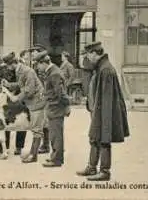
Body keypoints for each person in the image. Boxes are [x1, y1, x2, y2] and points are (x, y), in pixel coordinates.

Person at [76, 41, 130, 181]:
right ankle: (92, 167)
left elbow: (107, 101)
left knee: (104, 138)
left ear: (94, 53)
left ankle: (105, 171)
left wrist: (104, 121)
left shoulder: (105, 70)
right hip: (98, 111)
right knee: (94, 137)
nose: (87, 58)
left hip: (104, 113)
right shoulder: (101, 68)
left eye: (88, 54)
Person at [1, 52, 46, 163]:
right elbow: (21, 84)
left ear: (13, 64)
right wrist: (8, 85)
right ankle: (32, 153)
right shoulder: (20, 70)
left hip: (37, 102)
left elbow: (29, 90)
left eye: (8, 65)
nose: (7, 68)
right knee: (35, 128)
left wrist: (17, 98)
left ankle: (33, 156)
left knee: (36, 129)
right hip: (32, 102)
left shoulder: (27, 71)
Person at [0, 49, 27, 156]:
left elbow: (16, 82)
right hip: (0, 99)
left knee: (19, 122)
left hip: (14, 97)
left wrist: (11, 93)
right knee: (0, 121)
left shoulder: (7, 68)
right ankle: (3, 147)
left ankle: (19, 147)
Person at [34, 51, 69, 168]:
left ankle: (57, 159)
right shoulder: (51, 71)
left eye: (38, 65)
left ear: (44, 63)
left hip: (56, 109)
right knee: (54, 134)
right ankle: (55, 156)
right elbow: (52, 90)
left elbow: (61, 93)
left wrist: (66, 106)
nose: (37, 67)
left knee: (56, 135)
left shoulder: (54, 73)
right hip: (53, 108)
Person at [29, 44, 50, 155]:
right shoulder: (36, 66)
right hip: (41, 97)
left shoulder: (44, 67)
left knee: (45, 122)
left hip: (44, 97)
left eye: (34, 52)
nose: (32, 54)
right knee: (44, 122)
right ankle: (46, 145)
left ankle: (46, 145)